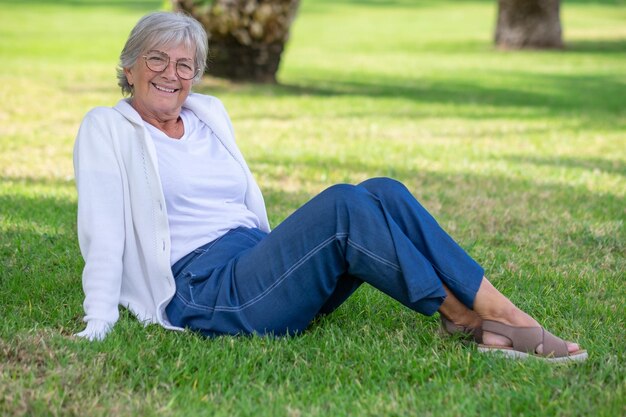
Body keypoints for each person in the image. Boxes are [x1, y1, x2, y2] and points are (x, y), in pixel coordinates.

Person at [73, 11, 587, 362]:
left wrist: (269, 252)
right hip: (206, 290)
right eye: (156, 59)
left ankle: (488, 311)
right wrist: (97, 320)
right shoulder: (108, 129)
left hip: (259, 265)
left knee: (383, 190)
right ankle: (477, 317)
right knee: (343, 204)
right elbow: (103, 232)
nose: (171, 73)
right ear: (129, 68)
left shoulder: (208, 115)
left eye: (184, 64)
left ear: (196, 76)